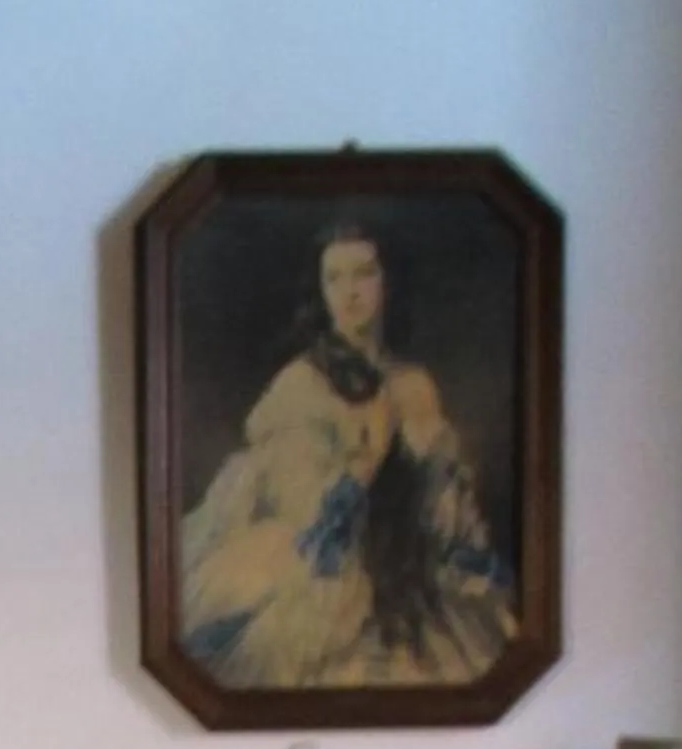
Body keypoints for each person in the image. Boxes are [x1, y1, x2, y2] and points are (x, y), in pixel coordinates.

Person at [178, 221, 515, 692]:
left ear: (388, 282)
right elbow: (307, 515)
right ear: (319, 290)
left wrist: (452, 532)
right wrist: (368, 459)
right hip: (330, 584)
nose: (349, 293)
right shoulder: (301, 384)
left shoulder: (415, 384)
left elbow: (444, 500)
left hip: (411, 579)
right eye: (334, 278)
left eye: (364, 274)